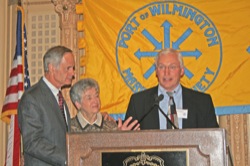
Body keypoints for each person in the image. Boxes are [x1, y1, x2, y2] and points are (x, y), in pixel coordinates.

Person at [125, 48, 219, 130]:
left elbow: (214, 140)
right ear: (156, 71)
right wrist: (122, 136)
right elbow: (127, 141)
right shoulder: (138, 102)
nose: (166, 72)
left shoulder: (202, 103)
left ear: (182, 71)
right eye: (161, 67)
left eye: (172, 67)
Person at [70, 78, 140, 132]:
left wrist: (121, 138)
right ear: (78, 104)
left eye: (96, 96)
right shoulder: (69, 127)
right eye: (89, 98)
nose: (95, 101)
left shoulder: (111, 126)